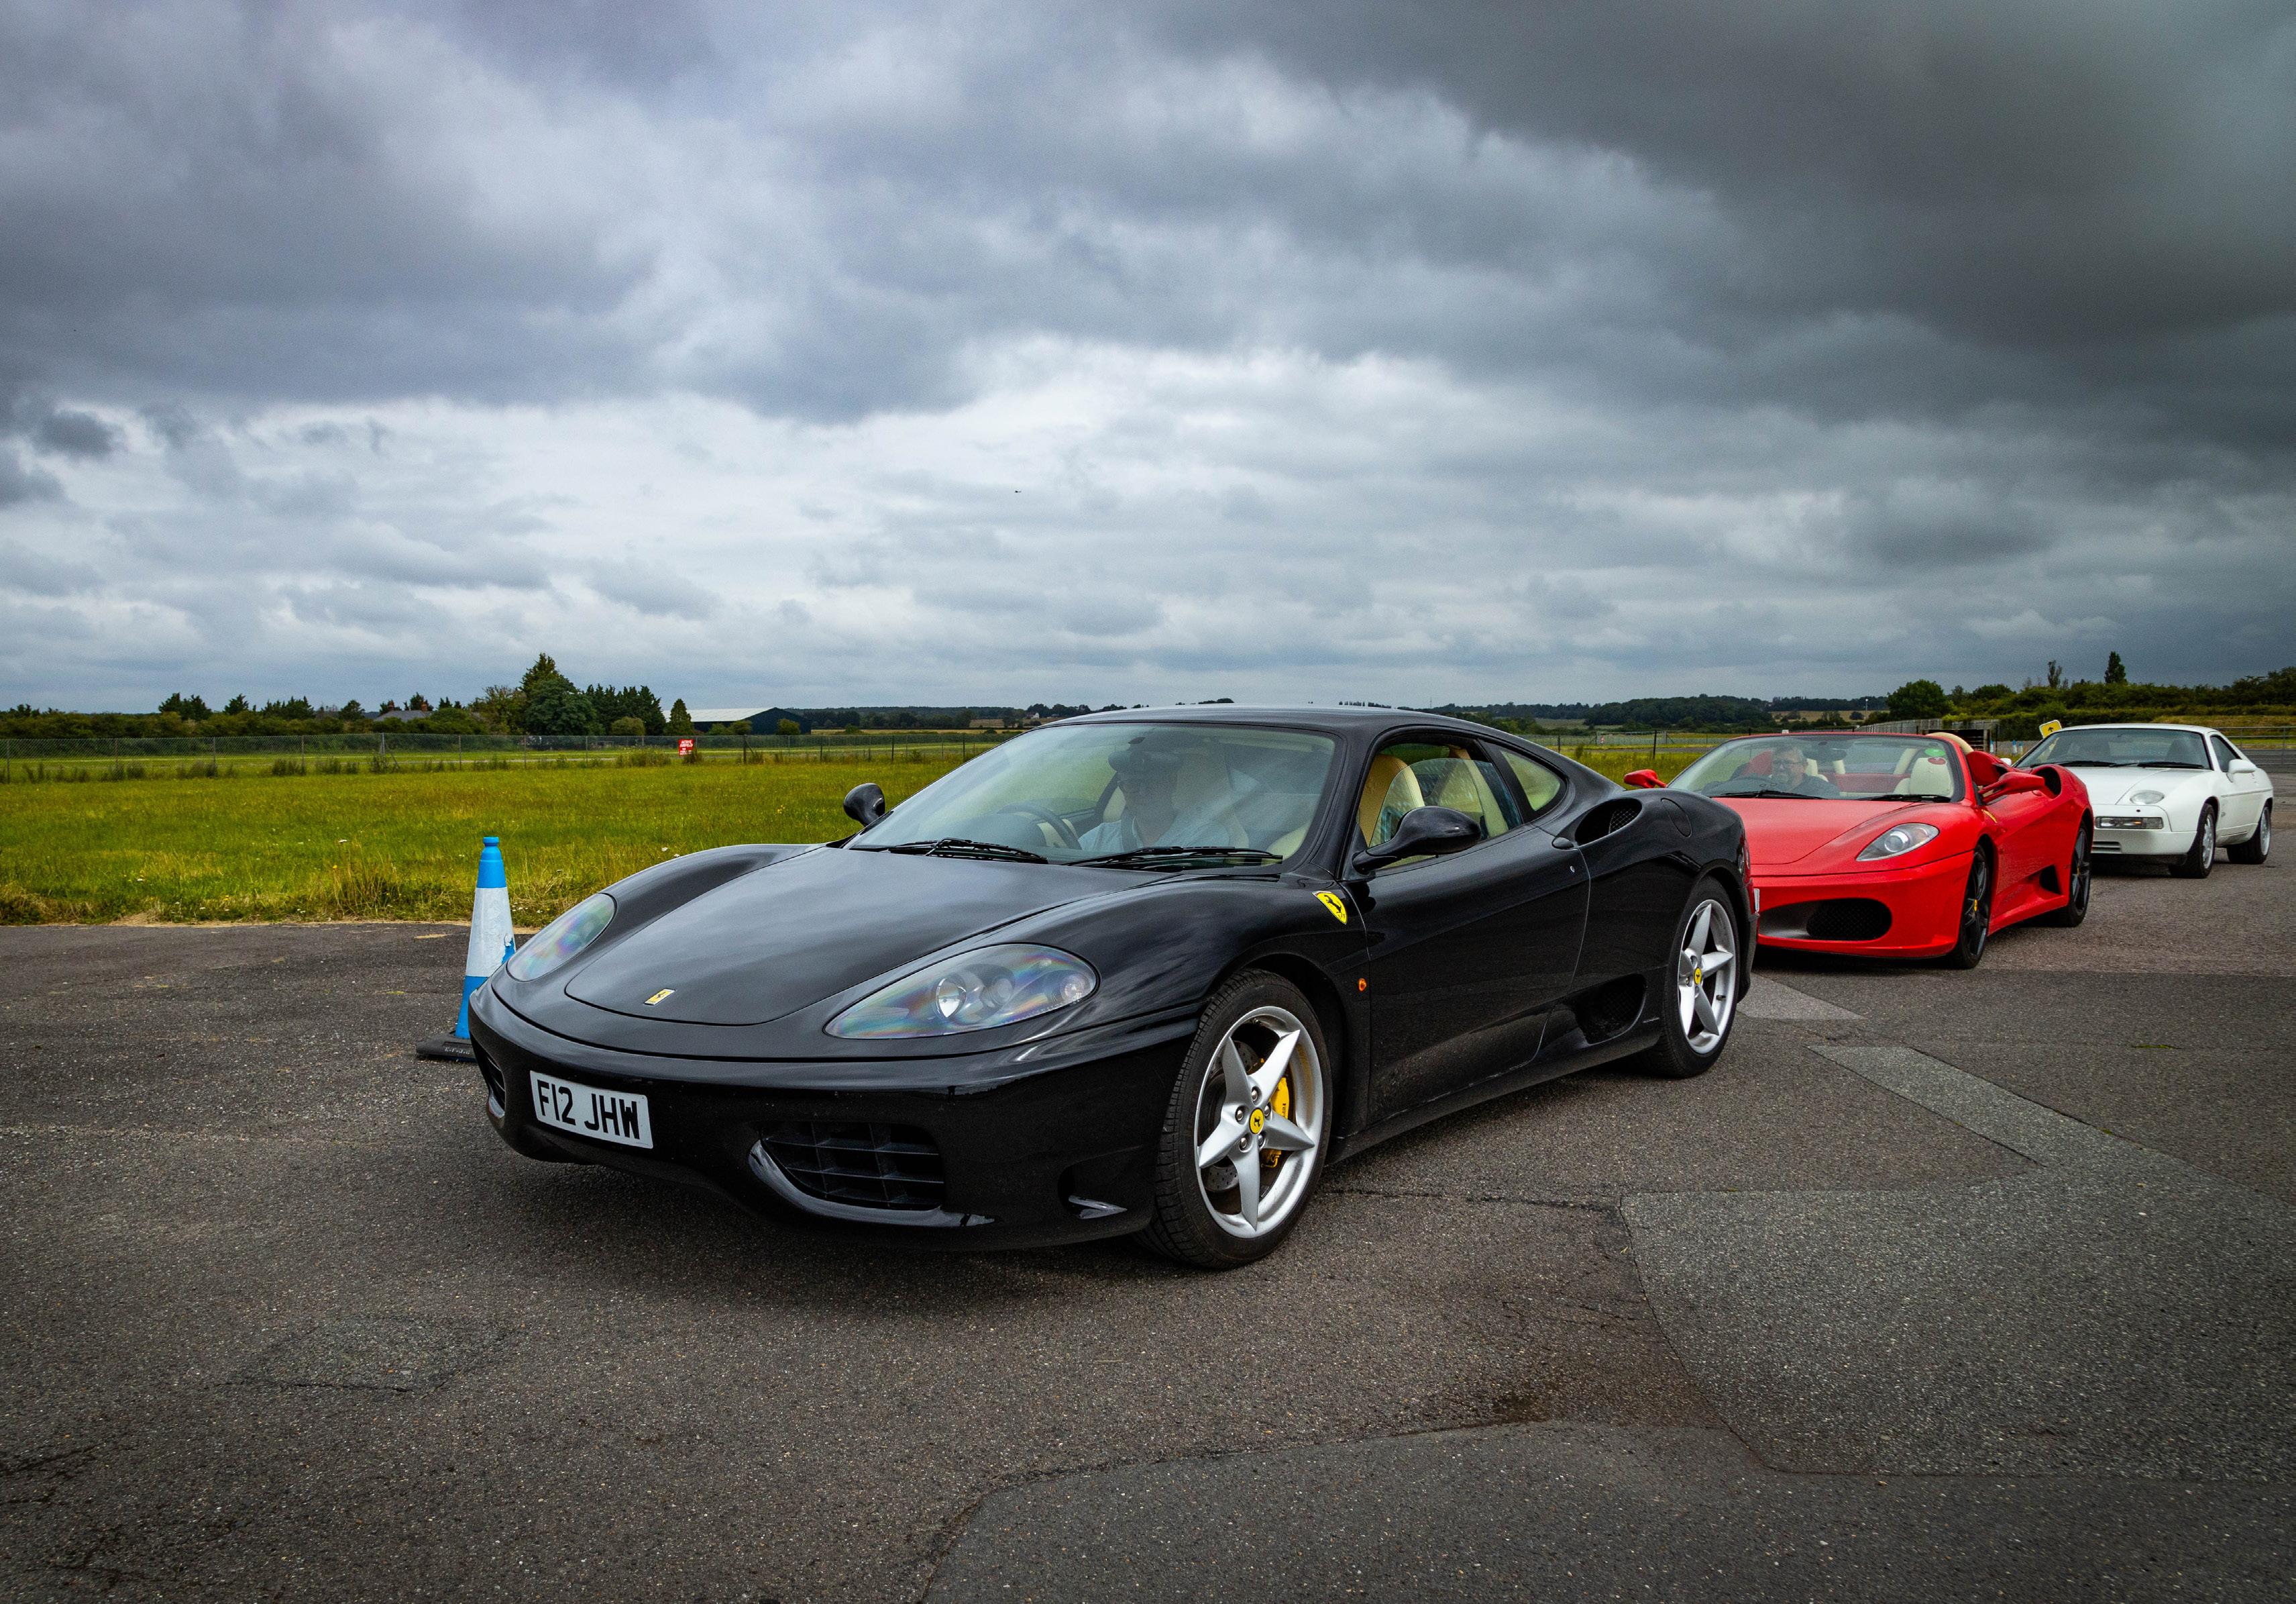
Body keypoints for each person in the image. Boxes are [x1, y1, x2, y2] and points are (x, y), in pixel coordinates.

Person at [1076, 737, 1247, 853]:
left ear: (1172, 783)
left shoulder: (1206, 836)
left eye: (1152, 783)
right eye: (1133, 784)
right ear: (1122, 788)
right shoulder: (1098, 838)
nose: (1143, 792)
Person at [1756, 740, 1841, 798]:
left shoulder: (1823, 790)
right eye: (1776, 763)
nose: (1781, 768)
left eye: (1788, 763)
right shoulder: (1759, 787)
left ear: (1803, 766)